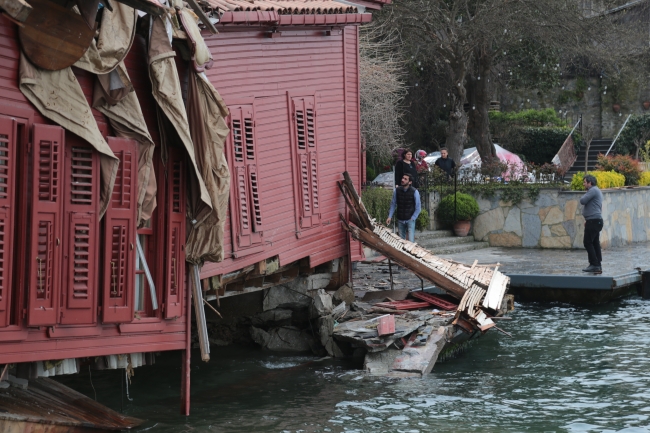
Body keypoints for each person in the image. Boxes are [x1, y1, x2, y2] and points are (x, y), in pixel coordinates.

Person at [386, 173, 421, 242]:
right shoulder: (397, 190)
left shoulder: (415, 192)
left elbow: (418, 207)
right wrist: (389, 216)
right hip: (400, 219)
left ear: (410, 182)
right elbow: (393, 204)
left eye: (405, 179)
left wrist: (413, 218)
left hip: (410, 219)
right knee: (401, 242)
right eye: (402, 178)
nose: (402, 180)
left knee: (411, 242)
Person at [580, 174, 604, 273]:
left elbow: (582, 200)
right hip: (594, 220)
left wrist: (590, 219)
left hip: (593, 221)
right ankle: (597, 264)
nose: (583, 184)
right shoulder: (596, 190)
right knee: (594, 243)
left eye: (585, 182)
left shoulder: (593, 190)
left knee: (587, 242)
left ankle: (594, 264)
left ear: (590, 183)